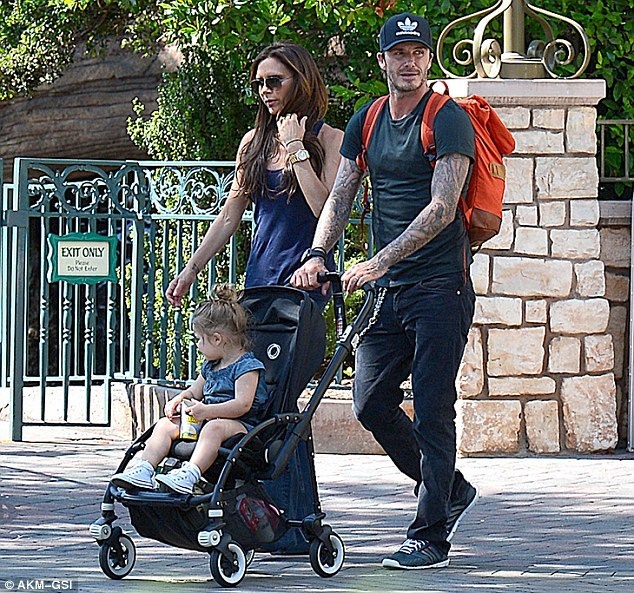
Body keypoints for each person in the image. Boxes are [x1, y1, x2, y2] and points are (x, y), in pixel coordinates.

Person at [292, 13, 478, 570]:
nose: (409, 62)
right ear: (383, 61)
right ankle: (449, 489)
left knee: (434, 408)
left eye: (418, 52)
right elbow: (342, 193)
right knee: (370, 401)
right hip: (389, 291)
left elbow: (443, 207)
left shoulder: (447, 118)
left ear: (428, 59)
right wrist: (318, 253)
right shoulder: (368, 119)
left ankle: (429, 535)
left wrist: (378, 261)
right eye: (399, 53)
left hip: (440, 287)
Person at [165, 41, 344, 309]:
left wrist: (295, 147)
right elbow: (229, 215)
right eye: (259, 84)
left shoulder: (331, 139)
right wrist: (190, 270)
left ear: (301, 81)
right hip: (259, 279)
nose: (265, 91)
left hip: (306, 281)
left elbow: (324, 210)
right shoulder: (253, 142)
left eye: (274, 81)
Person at [111, 284, 268, 494]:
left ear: (217, 339)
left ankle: (190, 474)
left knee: (214, 428)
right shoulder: (212, 366)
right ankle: (144, 469)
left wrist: (207, 411)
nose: (197, 345)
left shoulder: (246, 366)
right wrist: (179, 399)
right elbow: (194, 391)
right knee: (165, 425)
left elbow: (242, 405)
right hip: (208, 419)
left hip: (241, 426)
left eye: (199, 340)